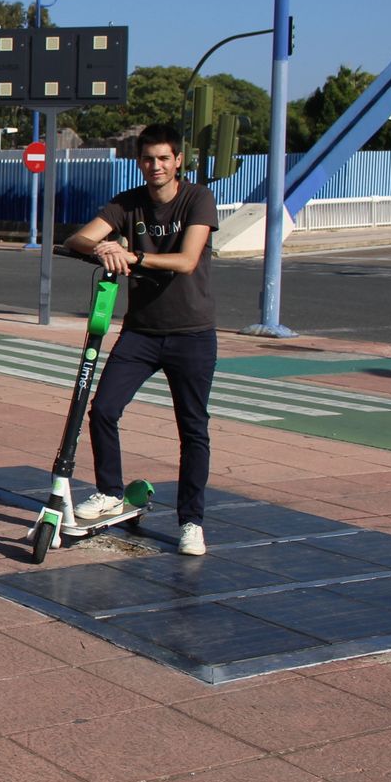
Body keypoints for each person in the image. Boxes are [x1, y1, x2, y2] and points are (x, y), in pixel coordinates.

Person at [67, 123, 219, 556]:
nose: (156, 166)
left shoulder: (197, 199)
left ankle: (191, 521)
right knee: (103, 410)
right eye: (149, 159)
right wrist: (103, 248)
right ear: (140, 163)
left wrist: (131, 254)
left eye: (164, 159)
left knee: (193, 430)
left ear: (178, 162)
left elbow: (188, 260)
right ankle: (110, 492)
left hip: (192, 334)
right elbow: (77, 238)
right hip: (141, 333)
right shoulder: (127, 203)